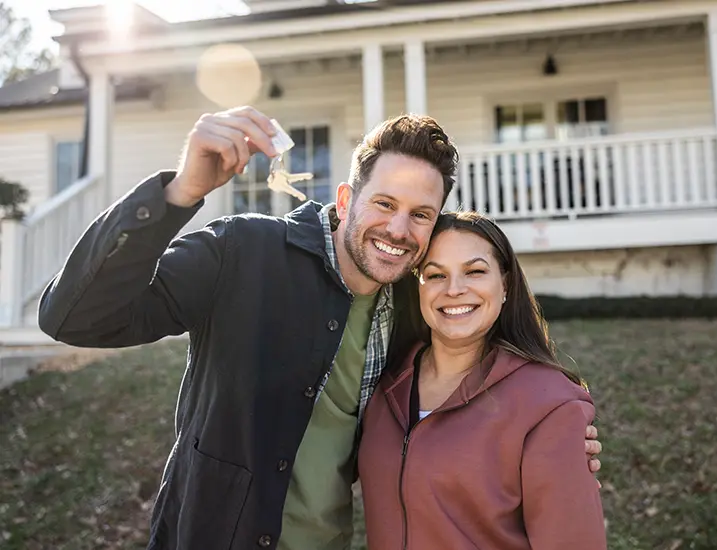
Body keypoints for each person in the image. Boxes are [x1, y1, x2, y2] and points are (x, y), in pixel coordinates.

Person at [37, 107, 602, 550]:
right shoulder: (243, 251)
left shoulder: (416, 301)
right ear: (346, 198)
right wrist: (180, 192)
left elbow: (472, 388)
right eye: (383, 203)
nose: (398, 229)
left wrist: (556, 438)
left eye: (421, 215)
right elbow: (75, 317)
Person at [359, 211, 607, 549]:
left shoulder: (549, 405)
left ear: (505, 285)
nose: (454, 289)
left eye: (474, 271)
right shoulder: (383, 385)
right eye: (435, 275)